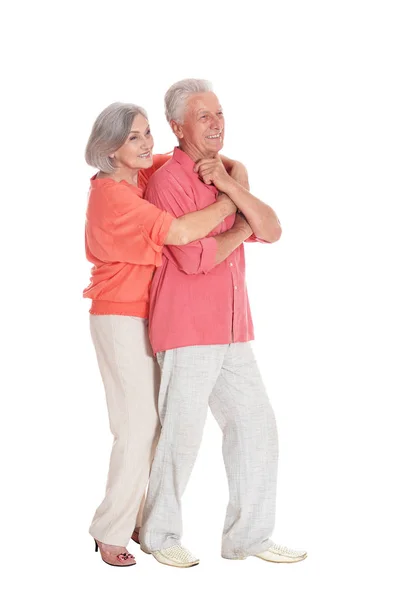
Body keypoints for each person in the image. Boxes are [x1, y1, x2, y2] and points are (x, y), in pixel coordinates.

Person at [140, 79, 307, 567]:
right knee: (182, 434)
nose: (216, 124)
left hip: (234, 330)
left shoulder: (226, 175)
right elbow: (193, 260)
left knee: (257, 426)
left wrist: (232, 187)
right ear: (177, 126)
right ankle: (160, 534)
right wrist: (238, 222)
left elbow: (272, 230)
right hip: (188, 329)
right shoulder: (167, 181)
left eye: (219, 113)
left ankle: (247, 538)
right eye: (203, 116)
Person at [83, 101, 244, 567]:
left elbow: (213, 162)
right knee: (137, 427)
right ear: (110, 148)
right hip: (119, 316)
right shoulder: (113, 194)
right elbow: (179, 231)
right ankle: (109, 529)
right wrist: (230, 201)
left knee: (152, 422)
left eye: (147, 132)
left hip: (148, 316)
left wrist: (233, 172)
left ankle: (135, 517)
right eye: (134, 137)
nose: (147, 143)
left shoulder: (140, 174)